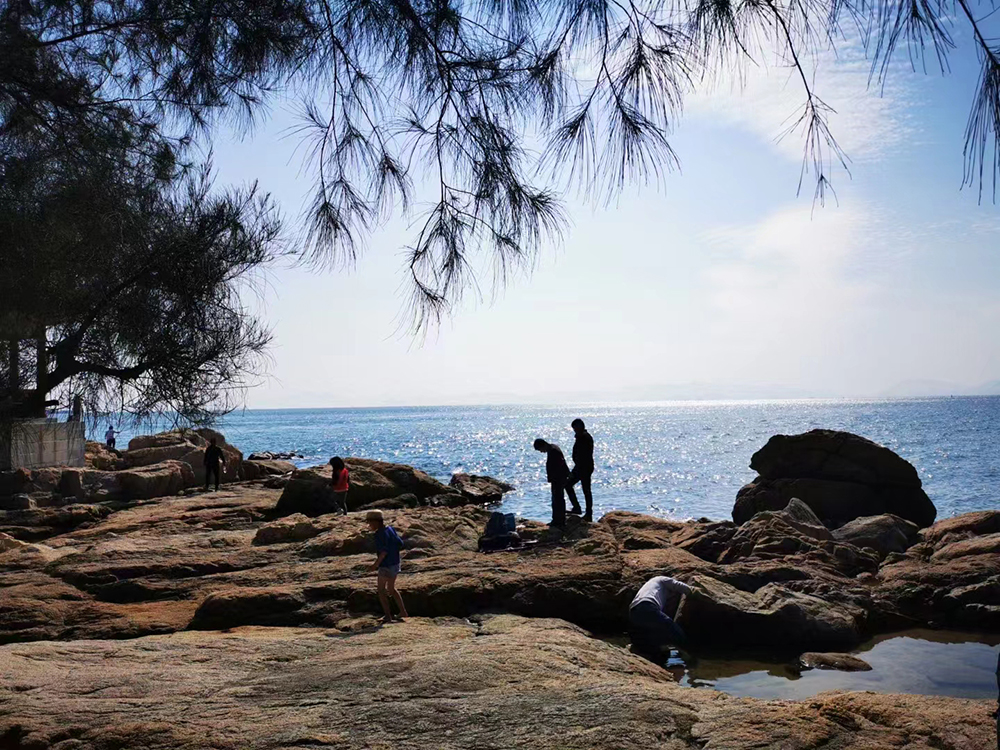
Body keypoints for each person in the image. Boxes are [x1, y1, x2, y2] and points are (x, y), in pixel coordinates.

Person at [628, 575, 692, 663]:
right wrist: (695, 592)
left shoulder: (651, 587)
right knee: (672, 628)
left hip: (633, 611)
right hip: (647, 606)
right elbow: (679, 586)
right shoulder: (661, 579)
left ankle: (651, 654)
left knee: (652, 643)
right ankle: (687, 653)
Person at [366, 510, 408, 624]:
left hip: (385, 565)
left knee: (381, 590)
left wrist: (375, 565)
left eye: (370, 523)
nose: (369, 526)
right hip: (395, 563)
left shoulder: (379, 534)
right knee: (391, 588)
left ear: (376, 522)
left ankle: (388, 616)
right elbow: (400, 543)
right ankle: (403, 611)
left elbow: (383, 552)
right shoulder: (390, 529)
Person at [533, 438, 572, 528]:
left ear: (543, 445)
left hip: (558, 478)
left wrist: (566, 473)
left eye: (540, 450)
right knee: (556, 500)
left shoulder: (554, 451)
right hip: (556, 478)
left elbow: (562, 463)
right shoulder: (552, 449)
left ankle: (559, 521)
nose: (541, 452)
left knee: (558, 499)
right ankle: (557, 520)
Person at [565, 418, 595, 521]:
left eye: (575, 428)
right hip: (580, 466)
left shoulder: (585, 437)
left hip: (584, 467)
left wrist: (577, 468)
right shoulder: (580, 437)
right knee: (568, 485)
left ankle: (588, 513)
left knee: (586, 490)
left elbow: (584, 455)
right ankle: (577, 508)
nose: (574, 430)